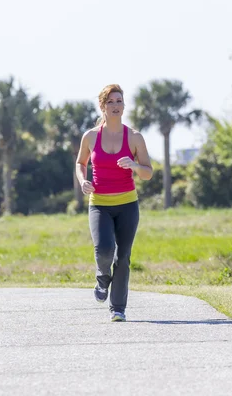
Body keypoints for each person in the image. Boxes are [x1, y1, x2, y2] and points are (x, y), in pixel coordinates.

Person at [75, 84, 153, 322]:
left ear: (124, 105)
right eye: (110, 102)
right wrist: (82, 180)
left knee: (123, 256)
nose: (116, 106)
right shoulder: (90, 136)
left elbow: (148, 172)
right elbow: (80, 163)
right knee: (105, 249)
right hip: (99, 204)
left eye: (119, 101)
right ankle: (101, 277)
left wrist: (135, 166)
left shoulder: (135, 137)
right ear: (102, 106)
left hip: (128, 204)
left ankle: (117, 308)